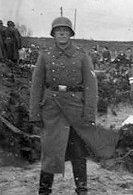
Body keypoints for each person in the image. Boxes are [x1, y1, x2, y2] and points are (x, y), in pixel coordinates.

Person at [29, 17, 118, 195]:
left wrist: (89, 113)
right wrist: (35, 114)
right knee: (50, 152)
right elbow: (37, 86)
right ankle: (44, 191)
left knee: (78, 152)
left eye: (65, 30)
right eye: (58, 30)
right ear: (53, 34)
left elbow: (91, 87)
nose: (62, 33)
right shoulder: (44, 56)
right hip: (51, 110)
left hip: (76, 111)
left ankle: (81, 189)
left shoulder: (81, 56)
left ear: (70, 34)